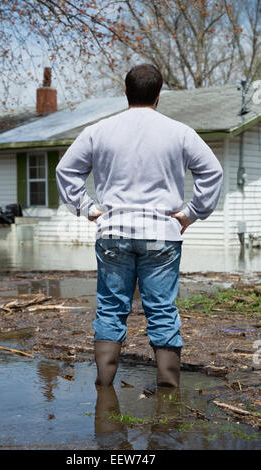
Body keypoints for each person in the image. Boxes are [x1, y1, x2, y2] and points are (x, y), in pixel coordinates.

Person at [56, 63, 223, 389]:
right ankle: (168, 393)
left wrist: (89, 210)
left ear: (126, 92)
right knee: (161, 309)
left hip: (114, 231)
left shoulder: (98, 130)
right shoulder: (180, 132)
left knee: (111, 308)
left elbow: (66, 172)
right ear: (159, 95)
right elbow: (211, 173)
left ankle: (104, 391)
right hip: (161, 234)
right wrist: (191, 213)